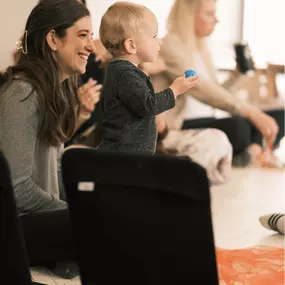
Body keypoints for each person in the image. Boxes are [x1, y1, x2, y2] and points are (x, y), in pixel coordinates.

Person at [0, 0, 93, 268]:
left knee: (112, 208)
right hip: (14, 229)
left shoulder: (55, 90)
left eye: (92, 36)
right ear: (54, 39)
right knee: (106, 222)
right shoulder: (22, 92)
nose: (90, 46)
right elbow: (16, 188)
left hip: (35, 220)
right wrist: (70, 210)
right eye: (83, 35)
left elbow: (57, 167)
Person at [151, 0, 284, 165]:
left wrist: (236, 75)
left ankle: (252, 151)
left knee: (280, 116)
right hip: (183, 122)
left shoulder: (201, 49)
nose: (216, 19)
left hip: (208, 117)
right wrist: (250, 111)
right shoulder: (170, 45)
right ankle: (250, 152)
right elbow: (200, 88)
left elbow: (216, 92)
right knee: (240, 126)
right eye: (210, 13)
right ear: (190, 15)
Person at [97, 1, 198, 155]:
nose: (160, 41)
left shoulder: (123, 71)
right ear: (131, 45)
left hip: (129, 158)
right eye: (154, 36)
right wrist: (175, 90)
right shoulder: (126, 74)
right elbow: (149, 106)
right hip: (124, 160)